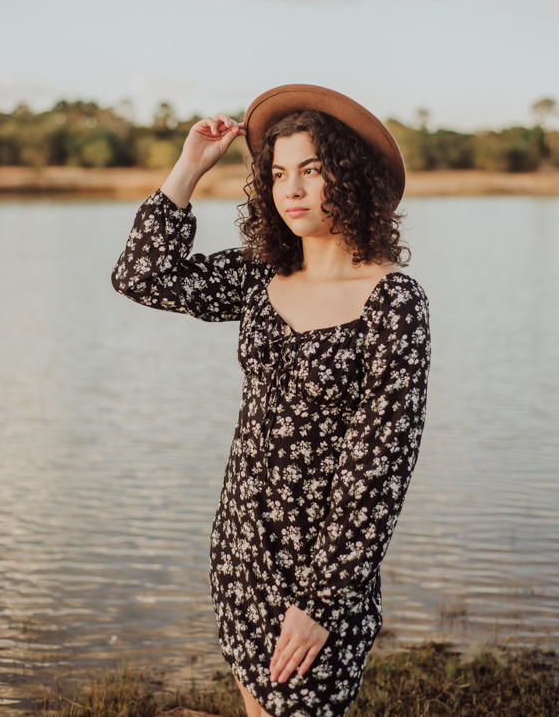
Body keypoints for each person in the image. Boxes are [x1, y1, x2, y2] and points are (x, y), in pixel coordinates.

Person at [111, 84, 431, 717]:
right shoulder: (263, 274)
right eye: (280, 173)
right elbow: (141, 274)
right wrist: (190, 168)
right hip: (240, 550)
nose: (292, 189)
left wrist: (321, 603)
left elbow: (379, 468)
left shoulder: (395, 302)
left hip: (320, 570)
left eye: (312, 171)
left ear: (350, 178)